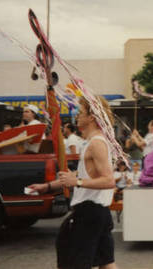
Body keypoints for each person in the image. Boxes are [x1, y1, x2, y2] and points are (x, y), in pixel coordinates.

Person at [27, 96, 118, 269]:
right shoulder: (92, 141)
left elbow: (108, 180)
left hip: (90, 212)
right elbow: (81, 174)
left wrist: (76, 181)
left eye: (81, 112)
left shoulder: (97, 143)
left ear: (92, 117)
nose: (76, 115)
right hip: (98, 213)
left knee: (75, 263)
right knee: (107, 264)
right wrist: (46, 187)